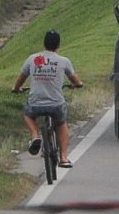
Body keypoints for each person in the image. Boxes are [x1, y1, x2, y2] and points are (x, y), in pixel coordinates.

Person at [14, 30, 84, 173]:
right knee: (62, 123)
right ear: (59, 44)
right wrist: (77, 85)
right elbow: (75, 80)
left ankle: (35, 135)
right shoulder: (63, 61)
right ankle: (63, 157)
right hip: (56, 104)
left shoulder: (32, 59)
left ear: (44, 43)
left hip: (36, 103)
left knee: (28, 115)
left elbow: (21, 78)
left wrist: (17, 88)